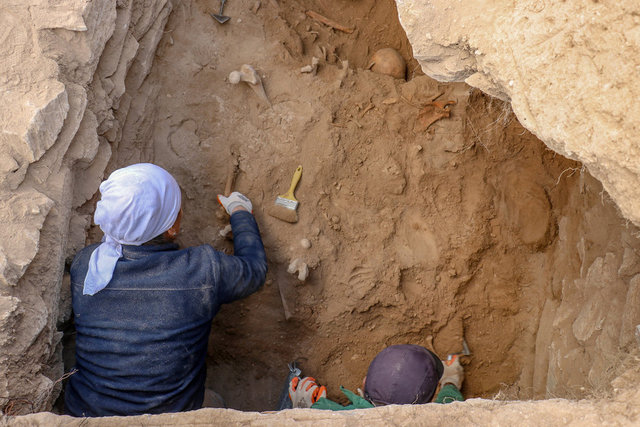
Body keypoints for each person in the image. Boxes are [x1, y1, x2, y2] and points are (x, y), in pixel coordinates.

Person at [64, 163, 267, 417]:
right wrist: (240, 211)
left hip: (86, 415)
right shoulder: (203, 270)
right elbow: (255, 269)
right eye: (177, 212)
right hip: (170, 416)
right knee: (216, 404)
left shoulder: (87, 265)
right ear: (172, 229)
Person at [287, 344, 464, 410]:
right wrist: (450, 382)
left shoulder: (329, 415)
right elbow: (449, 408)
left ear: (364, 383)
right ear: (429, 402)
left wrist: (303, 409)